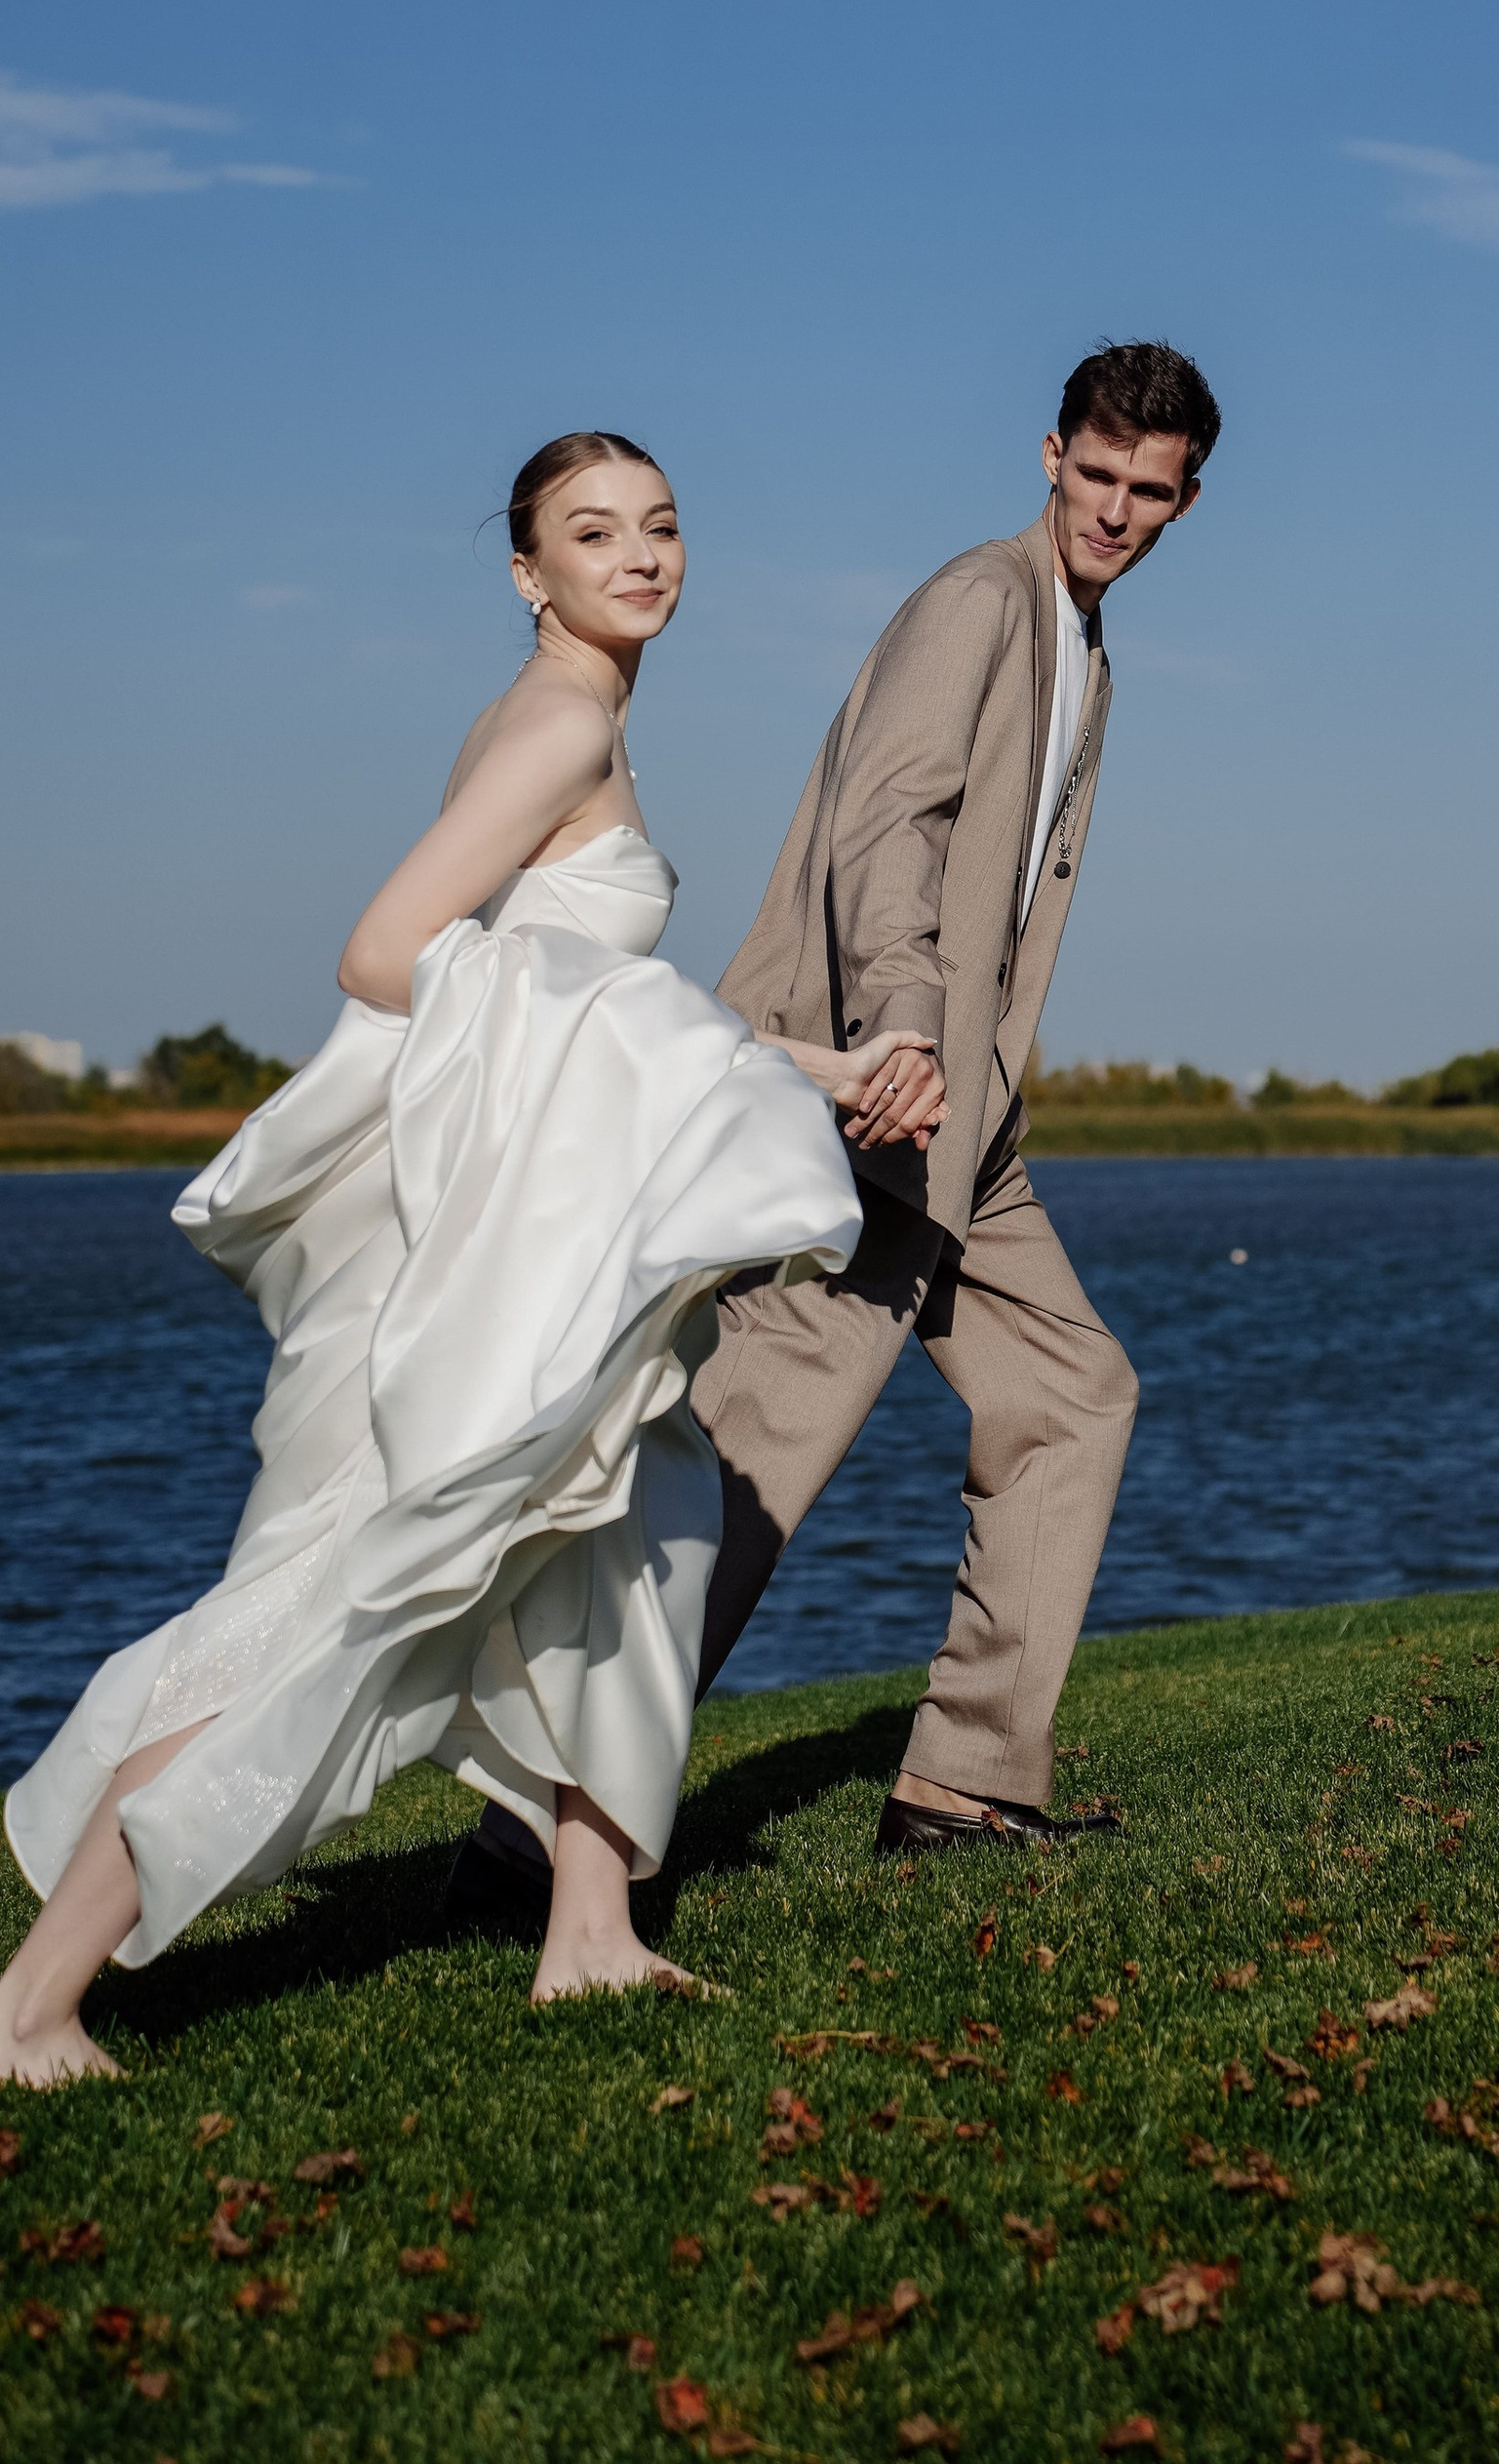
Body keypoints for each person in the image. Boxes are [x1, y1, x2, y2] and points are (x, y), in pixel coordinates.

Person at [0, 434, 928, 2083]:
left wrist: (807, 1068)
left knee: (640, 1529)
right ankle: (32, 2004)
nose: (640, 555)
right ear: (528, 570)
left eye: (659, 525)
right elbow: (383, 957)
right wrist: (686, 1063)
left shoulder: (568, 714)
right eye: (594, 532)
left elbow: (565, 973)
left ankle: (590, 1935)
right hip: (506, 1266)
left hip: (536, 1238)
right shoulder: (561, 721)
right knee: (341, 1598)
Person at [454, 338, 1221, 1904]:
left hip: (965, 1122)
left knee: (1074, 1396)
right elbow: (890, 823)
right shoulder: (977, 603)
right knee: (753, 1454)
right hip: (873, 1094)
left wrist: (972, 1074)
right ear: (1051, 456)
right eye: (1096, 475)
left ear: (1185, 499)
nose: (1116, 511)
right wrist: (901, 1025)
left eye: (1149, 493)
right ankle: (537, 1827)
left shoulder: (1084, 643)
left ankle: (963, 1780)